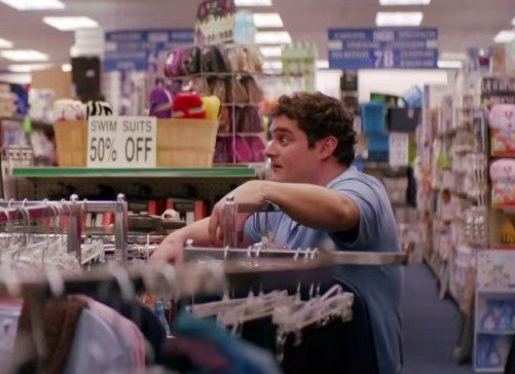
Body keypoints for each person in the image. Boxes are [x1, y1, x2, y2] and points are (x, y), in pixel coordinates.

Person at [150, 92, 402, 374]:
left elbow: (343, 210)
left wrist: (263, 188)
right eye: (272, 138)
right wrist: (177, 238)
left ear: (326, 147)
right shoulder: (285, 206)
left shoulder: (363, 187)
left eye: (284, 139)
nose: (269, 150)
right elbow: (230, 226)